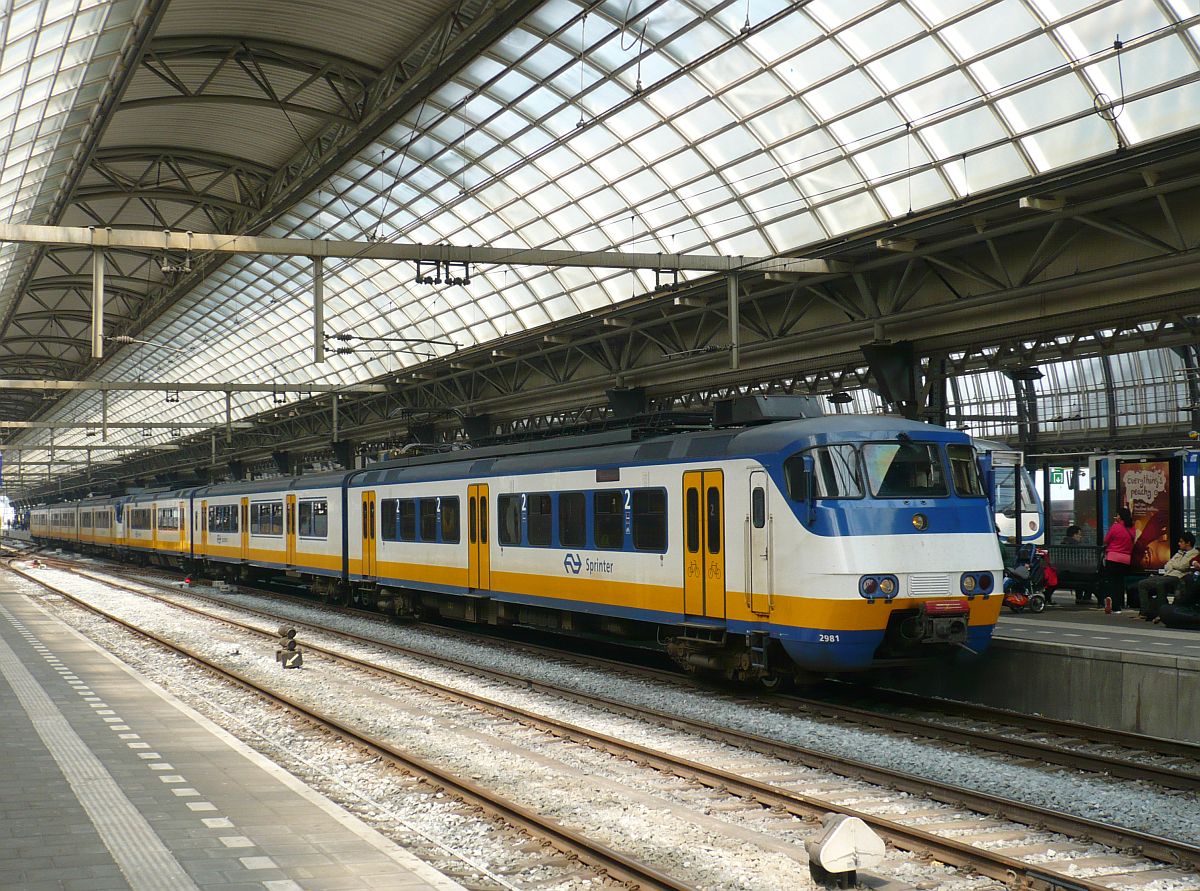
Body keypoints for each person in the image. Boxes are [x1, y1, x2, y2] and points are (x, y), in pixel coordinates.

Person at [1136, 532, 1198, 620]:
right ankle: (1144, 612)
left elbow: (1183, 566)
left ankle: (1162, 613)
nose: (1179, 544)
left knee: (1160, 583)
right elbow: (1167, 566)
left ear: (1188, 543)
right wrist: (1175, 565)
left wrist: (1174, 565)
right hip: (1168, 575)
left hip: (1178, 577)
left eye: (1181, 542)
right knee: (1142, 583)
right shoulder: (1179, 553)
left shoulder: (1194, 553)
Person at [1102, 508, 1136, 611]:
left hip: (1113, 558)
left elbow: (1106, 540)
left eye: (1117, 515)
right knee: (1120, 582)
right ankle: (1120, 603)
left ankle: (1113, 604)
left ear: (1119, 516)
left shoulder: (1115, 527)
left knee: (1112, 582)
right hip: (1126, 560)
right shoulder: (1132, 528)